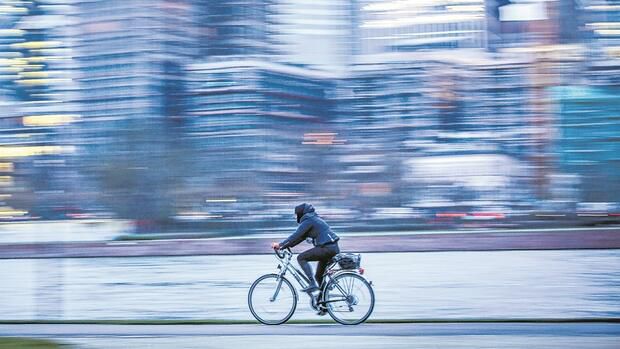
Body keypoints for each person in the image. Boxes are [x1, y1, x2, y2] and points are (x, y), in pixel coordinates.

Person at [271, 203, 340, 293]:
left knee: (301, 257)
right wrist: (284, 246)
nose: (296, 217)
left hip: (327, 249)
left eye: (296, 215)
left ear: (301, 213)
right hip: (331, 249)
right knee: (319, 276)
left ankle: (312, 283)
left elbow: (295, 235)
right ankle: (323, 303)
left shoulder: (308, 221)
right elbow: (299, 238)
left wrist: (280, 245)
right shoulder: (313, 219)